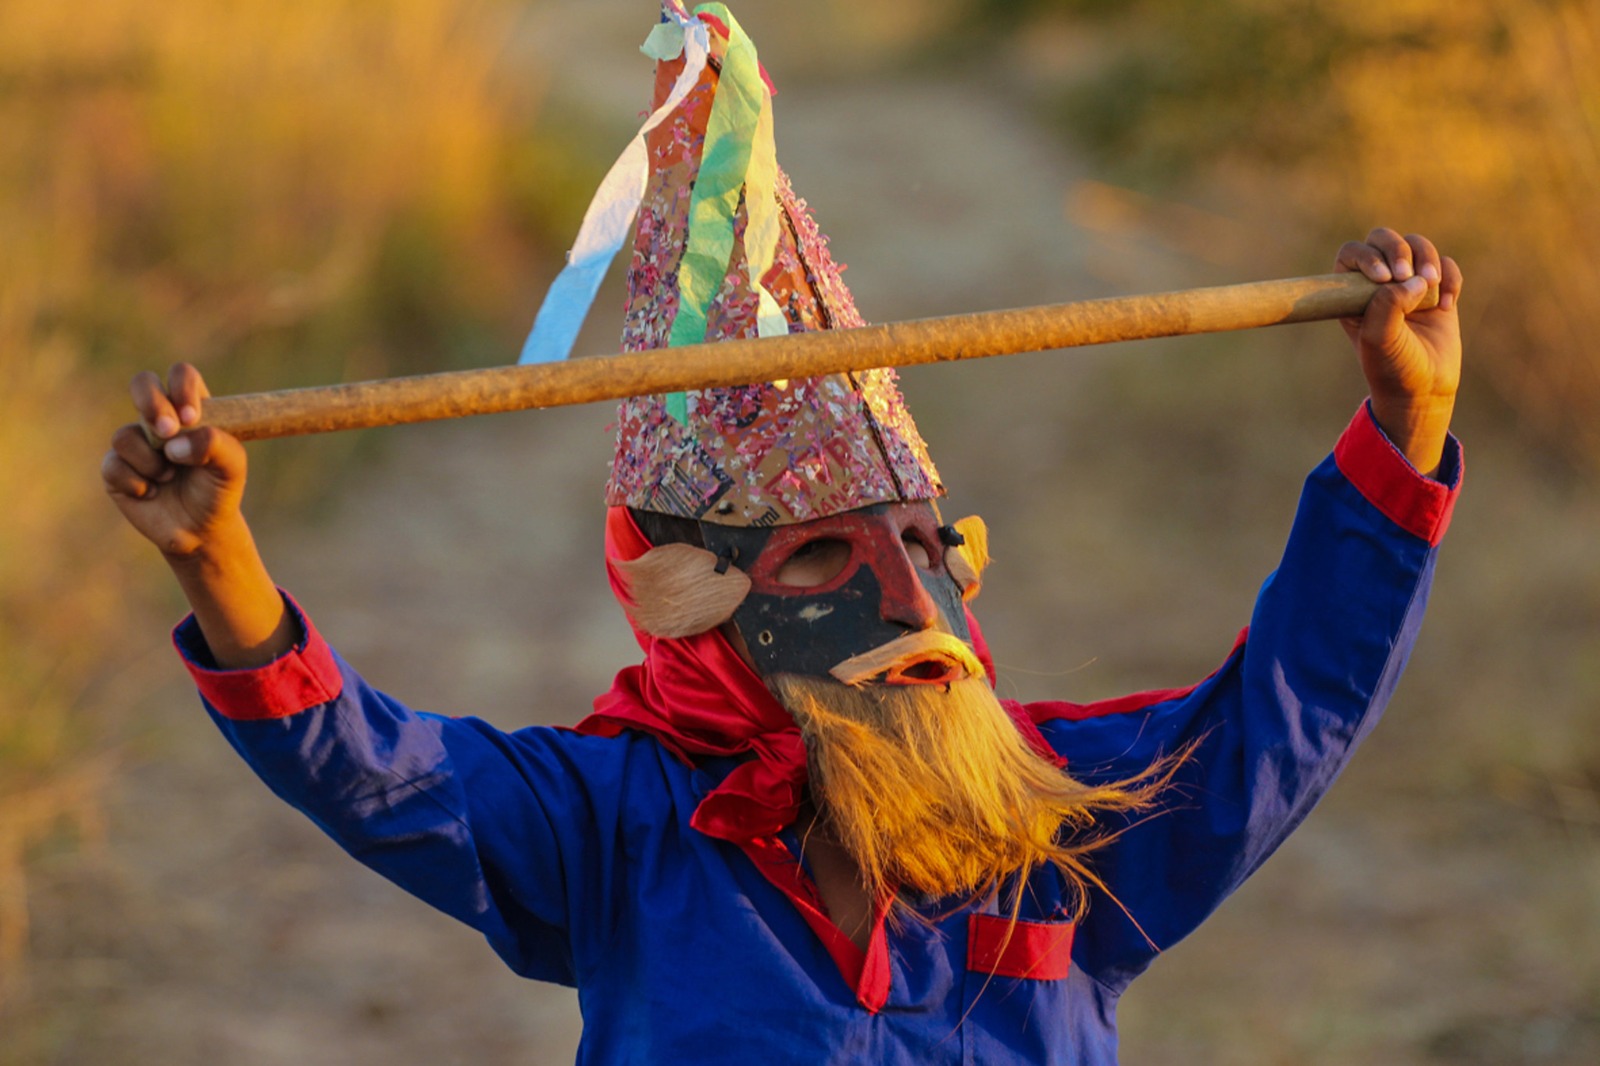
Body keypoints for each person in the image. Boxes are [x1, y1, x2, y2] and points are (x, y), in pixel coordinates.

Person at [102, 7, 1462, 1063]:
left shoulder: (1061, 828)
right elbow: (383, 773)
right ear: (696, 616)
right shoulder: (623, 831)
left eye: (931, 546)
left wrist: (1408, 417)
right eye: (821, 556)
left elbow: (1292, 704)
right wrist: (214, 553)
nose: (914, 603)